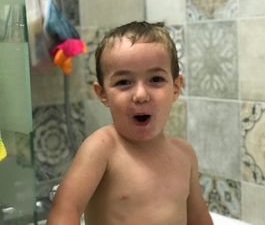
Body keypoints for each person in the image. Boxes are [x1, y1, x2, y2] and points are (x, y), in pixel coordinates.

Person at [47, 21, 213, 225]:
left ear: (176, 88)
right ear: (103, 94)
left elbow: (198, 217)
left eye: (156, 79)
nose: (141, 95)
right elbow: (65, 208)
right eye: (124, 82)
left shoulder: (184, 154)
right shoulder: (102, 148)